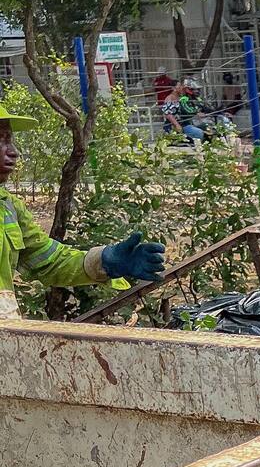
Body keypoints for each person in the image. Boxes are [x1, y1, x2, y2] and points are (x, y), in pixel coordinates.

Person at [0, 107, 166, 319]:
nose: (13, 151)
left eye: (10, 140)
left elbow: (49, 261)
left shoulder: (8, 206)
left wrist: (105, 261)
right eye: (2, 140)